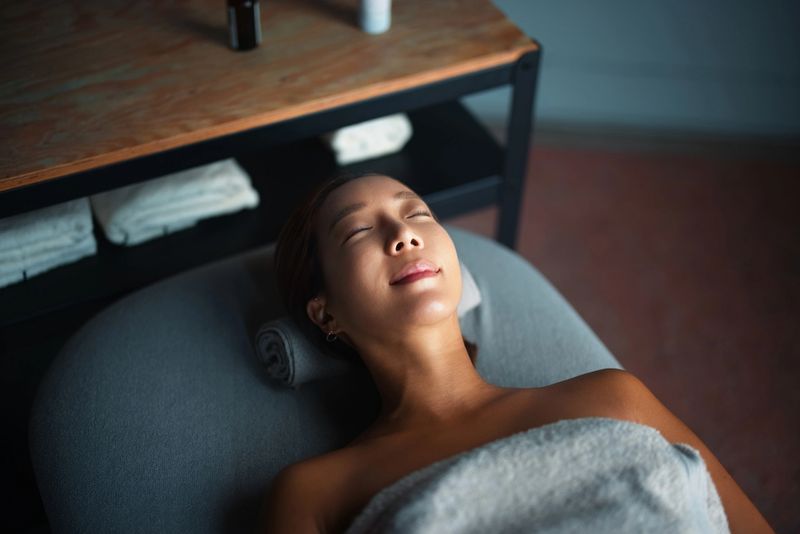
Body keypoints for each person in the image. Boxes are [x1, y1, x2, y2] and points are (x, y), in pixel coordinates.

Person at [261, 172, 773, 533]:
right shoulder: (314, 494)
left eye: (417, 213)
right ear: (325, 314)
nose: (404, 236)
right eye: (358, 231)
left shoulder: (615, 396)